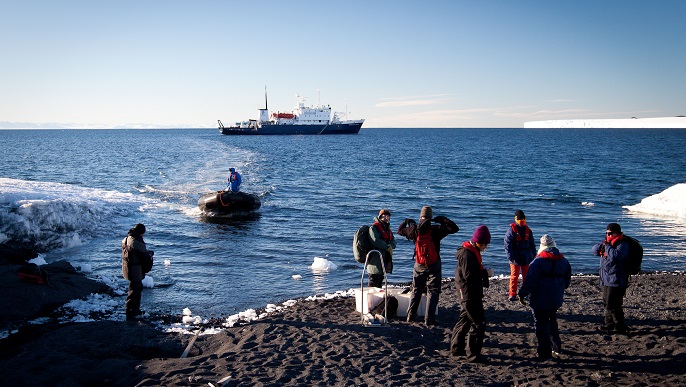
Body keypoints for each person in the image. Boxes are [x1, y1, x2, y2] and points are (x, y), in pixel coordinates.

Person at [397, 206, 458, 326]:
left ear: (420, 217)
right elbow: (455, 228)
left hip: (419, 264)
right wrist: (442, 219)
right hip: (434, 263)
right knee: (433, 291)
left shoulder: (414, 230)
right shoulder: (436, 230)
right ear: (430, 218)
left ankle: (411, 316)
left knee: (416, 290)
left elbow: (399, 231)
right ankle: (429, 319)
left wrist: (406, 221)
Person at [518, 234, 572, 360]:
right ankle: (556, 347)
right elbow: (567, 282)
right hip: (555, 299)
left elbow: (530, 282)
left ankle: (544, 352)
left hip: (540, 299)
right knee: (552, 321)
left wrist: (521, 294)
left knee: (541, 325)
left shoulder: (537, 262)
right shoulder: (563, 261)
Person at [451, 225, 491, 363]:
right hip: (468, 292)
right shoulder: (467, 254)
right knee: (478, 323)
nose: (486, 248)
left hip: (467, 291)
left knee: (465, 319)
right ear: (479, 242)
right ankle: (473, 354)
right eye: (485, 244)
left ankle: (456, 348)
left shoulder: (470, 251)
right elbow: (469, 275)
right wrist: (486, 274)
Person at [592, 223, 630, 334]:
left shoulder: (623, 244)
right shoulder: (607, 243)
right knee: (606, 303)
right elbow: (594, 250)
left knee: (613, 304)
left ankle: (619, 326)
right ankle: (608, 324)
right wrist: (603, 245)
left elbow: (616, 256)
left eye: (610, 233)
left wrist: (607, 246)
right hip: (606, 278)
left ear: (616, 233)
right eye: (606, 233)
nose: (608, 235)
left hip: (616, 279)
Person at [121, 223, 154, 321]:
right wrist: (150, 254)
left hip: (127, 267)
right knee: (136, 290)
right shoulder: (137, 242)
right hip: (134, 270)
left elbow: (132, 254)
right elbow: (144, 257)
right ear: (141, 233)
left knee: (133, 289)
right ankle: (132, 311)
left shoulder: (127, 239)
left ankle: (131, 310)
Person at [504, 209, 537, 301]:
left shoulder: (528, 231)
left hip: (527, 257)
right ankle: (512, 294)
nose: (522, 223)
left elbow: (532, 245)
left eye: (523, 221)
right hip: (516, 257)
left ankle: (525, 293)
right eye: (520, 221)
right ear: (516, 219)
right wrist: (510, 257)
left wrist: (534, 256)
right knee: (514, 276)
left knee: (527, 276)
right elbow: (507, 245)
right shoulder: (511, 231)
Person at [367, 209, 396, 288]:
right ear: (380, 217)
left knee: (380, 280)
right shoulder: (374, 228)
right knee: (373, 280)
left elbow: (393, 241)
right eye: (384, 216)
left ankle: (377, 299)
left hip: (384, 259)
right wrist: (387, 246)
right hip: (375, 259)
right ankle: (370, 299)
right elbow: (375, 240)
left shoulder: (388, 230)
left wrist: (390, 246)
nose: (386, 218)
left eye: (388, 216)